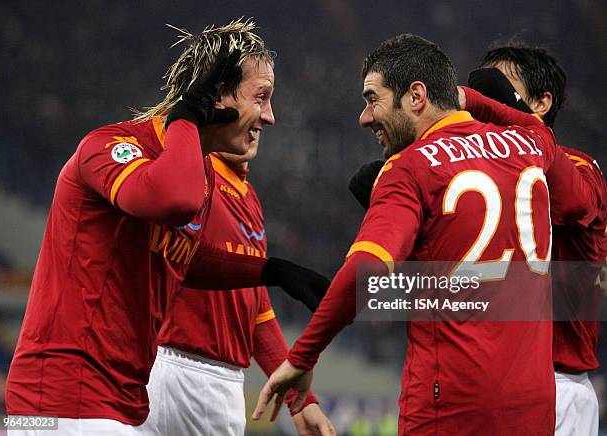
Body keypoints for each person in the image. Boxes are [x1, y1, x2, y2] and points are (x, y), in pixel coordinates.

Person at [252, 34, 599, 435]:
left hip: (449, 409)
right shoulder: (532, 145)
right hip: (533, 410)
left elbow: (367, 268)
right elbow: (539, 135)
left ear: (416, 96)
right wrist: (466, 98)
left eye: (372, 98)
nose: (364, 117)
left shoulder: (409, 168)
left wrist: (302, 358)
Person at [6, 20, 329, 435]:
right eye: (261, 97)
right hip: (64, 399)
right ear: (217, 95)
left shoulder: (202, 174)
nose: (270, 116)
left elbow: (183, 258)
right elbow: (172, 202)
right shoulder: (110, 146)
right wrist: (187, 118)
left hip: (115, 402)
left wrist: (269, 271)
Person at [141, 134, 335, 436]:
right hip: (188, 369)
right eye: (256, 100)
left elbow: (255, 310)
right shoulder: (200, 173)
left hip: (211, 379)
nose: (261, 121)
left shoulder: (249, 197)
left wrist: (302, 401)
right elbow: (176, 258)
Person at [469, 43, 607, 436]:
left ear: (541, 102)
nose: (488, 104)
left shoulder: (579, 167)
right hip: (489, 382)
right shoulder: (477, 175)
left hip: (556, 383)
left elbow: (574, 202)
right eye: (483, 94)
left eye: (501, 91)